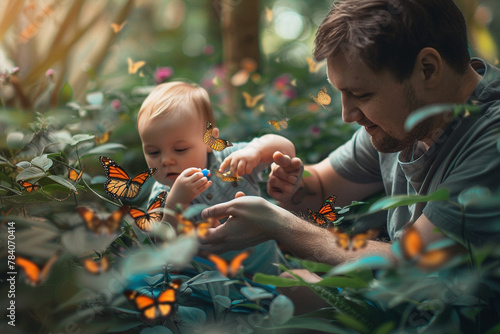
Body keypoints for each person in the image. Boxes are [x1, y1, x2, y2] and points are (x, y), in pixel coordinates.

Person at [199, 0, 500, 266]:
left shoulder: (491, 138)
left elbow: (415, 260)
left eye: (361, 94)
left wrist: (280, 226)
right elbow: (320, 189)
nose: (348, 115)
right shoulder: (404, 123)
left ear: (428, 69)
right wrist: (287, 180)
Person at [137, 81, 296, 275]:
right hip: (220, 293)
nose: (166, 161)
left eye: (180, 149)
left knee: (299, 287)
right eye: (153, 152)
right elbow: (165, 246)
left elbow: (284, 147)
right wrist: (175, 203)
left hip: (271, 271)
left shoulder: (230, 160)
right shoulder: (162, 195)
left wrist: (256, 150)